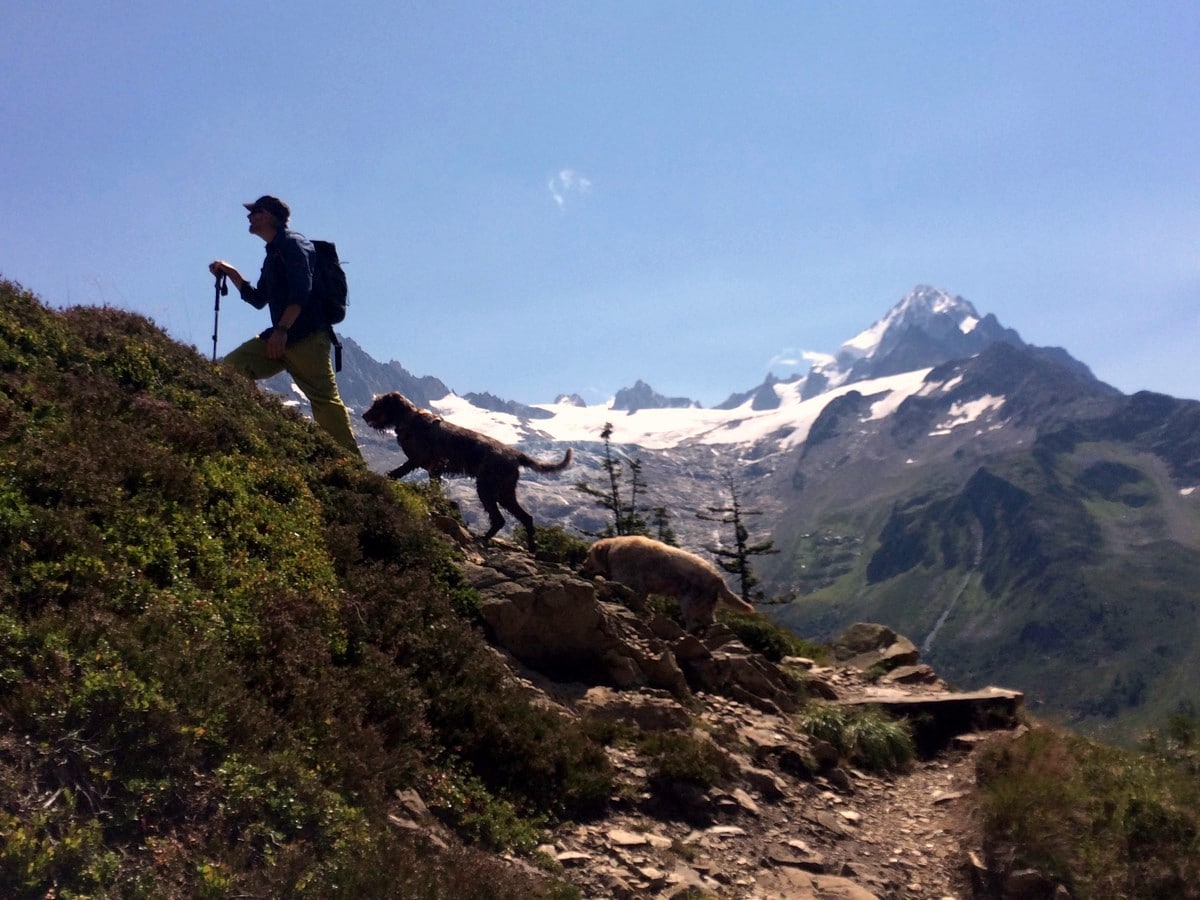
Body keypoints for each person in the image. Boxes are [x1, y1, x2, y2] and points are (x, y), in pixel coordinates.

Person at [209, 195, 361, 457]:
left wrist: (281, 331)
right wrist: (232, 273)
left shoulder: (294, 244)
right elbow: (259, 299)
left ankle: (352, 465)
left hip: (306, 337)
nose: (249, 217)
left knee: (324, 401)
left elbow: (302, 291)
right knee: (230, 369)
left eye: (254, 212)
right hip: (284, 337)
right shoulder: (274, 253)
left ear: (268, 216)